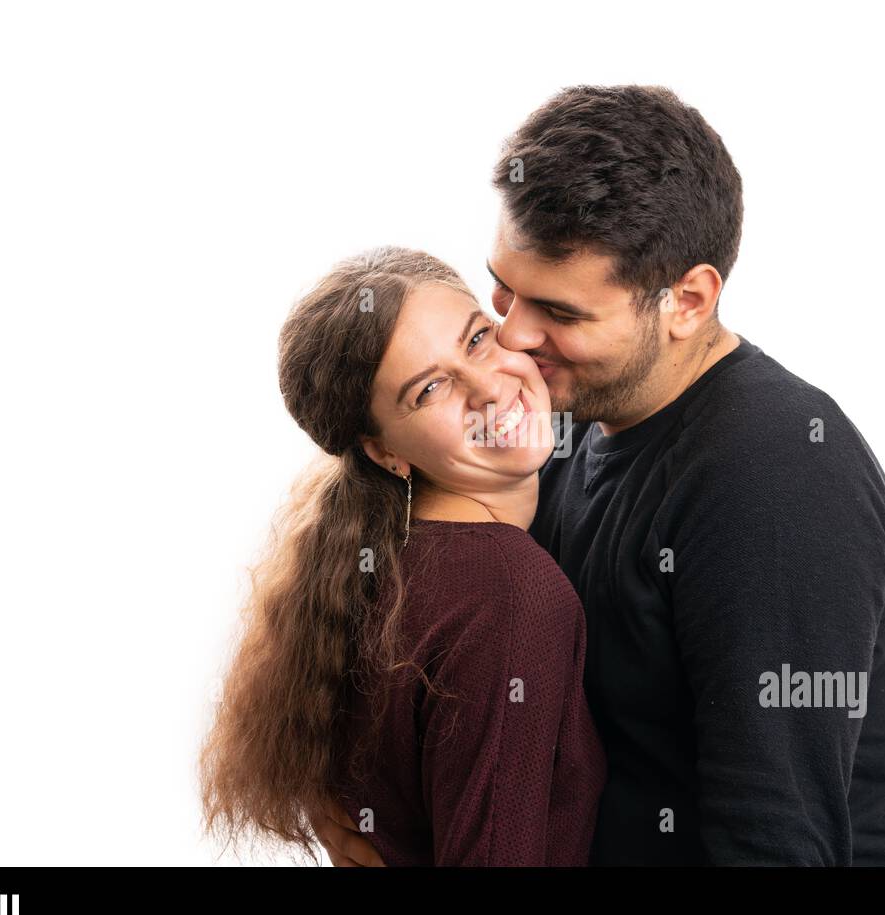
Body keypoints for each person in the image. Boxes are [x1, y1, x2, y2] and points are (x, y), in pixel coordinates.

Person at [317, 85, 885, 866]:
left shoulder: (776, 482)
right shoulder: (554, 432)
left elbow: (775, 843)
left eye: (561, 313)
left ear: (688, 300)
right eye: (502, 288)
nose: (512, 334)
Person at [199, 246, 607, 866]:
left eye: (475, 340)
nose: (488, 389)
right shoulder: (512, 595)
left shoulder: (378, 560)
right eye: (430, 389)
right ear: (384, 451)